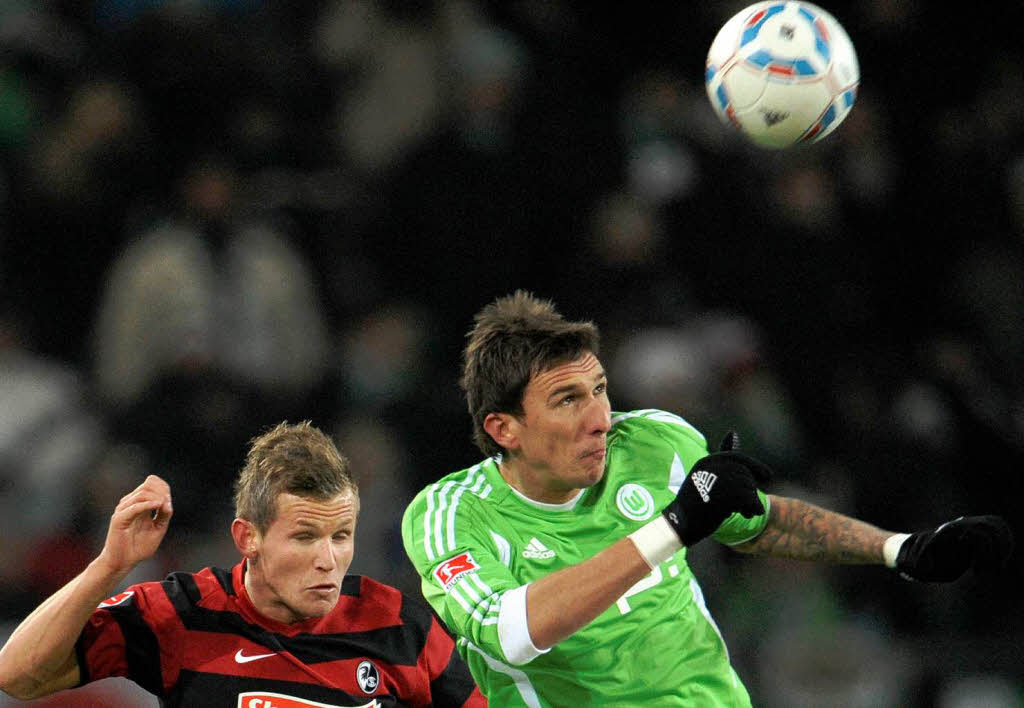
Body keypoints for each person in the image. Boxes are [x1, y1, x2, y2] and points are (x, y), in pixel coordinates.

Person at [400, 291, 1014, 707]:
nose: (600, 418)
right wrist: (673, 526)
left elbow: (758, 523)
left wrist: (900, 549)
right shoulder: (447, 515)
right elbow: (509, 634)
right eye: (568, 400)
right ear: (504, 429)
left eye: (600, 389)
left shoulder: (655, 442)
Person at [0, 421, 486, 707]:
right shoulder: (181, 613)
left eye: (341, 536)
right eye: (304, 536)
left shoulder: (402, 625)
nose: (328, 560)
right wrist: (108, 565)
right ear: (247, 537)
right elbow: (17, 676)